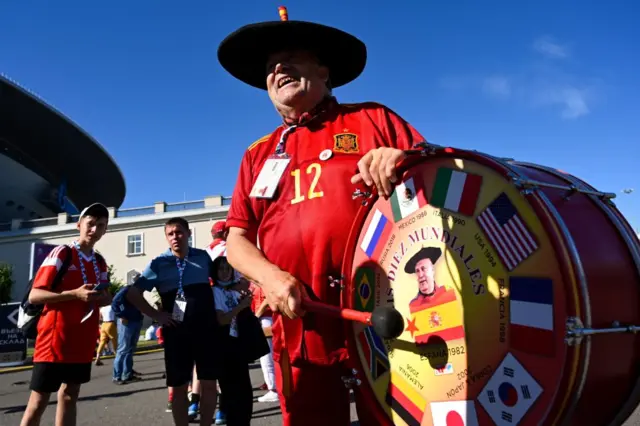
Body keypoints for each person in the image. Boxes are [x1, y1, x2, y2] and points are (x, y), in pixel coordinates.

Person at [218, 6, 427, 426]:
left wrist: (403, 158)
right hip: (300, 320)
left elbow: (437, 186)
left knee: (397, 419)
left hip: (387, 308)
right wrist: (271, 279)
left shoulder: (372, 118)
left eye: (292, 57)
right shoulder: (257, 153)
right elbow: (237, 241)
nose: (279, 69)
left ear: (324, 71)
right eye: (270, 67)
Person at [20, 203, 113, 426]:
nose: (94, 230)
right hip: (53, 340)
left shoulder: (100, 261)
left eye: (100, 226)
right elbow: (35, 295)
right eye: (90, 224)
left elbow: (105, 296)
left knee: (70, 396)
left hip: (82, 341)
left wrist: (109, 297)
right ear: (79, 225)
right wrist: (73, 294)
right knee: (39, 401)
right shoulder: (62, 252)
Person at [126, 217, 220, 426]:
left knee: (209, 383)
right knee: (178, 386)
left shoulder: (203, 257)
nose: (175, 237)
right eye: (170, 234)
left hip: (206, 329)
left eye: (179, 232)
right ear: (166, 237)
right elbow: (133, 293)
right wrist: (156, 315)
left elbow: (222, 279)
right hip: (177, 332)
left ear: (188, 234)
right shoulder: (159, 263)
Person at [211, 256, 255, 426]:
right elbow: (222, 319)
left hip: (238, 344)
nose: (224, 273)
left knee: (245, 391)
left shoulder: (234, 290)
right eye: (221, 269)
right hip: (224, 346)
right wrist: (241, 306)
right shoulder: (215, 292)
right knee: (231, 392)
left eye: (227, 269)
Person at [250, 282, 278, 403]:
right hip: (265, 318)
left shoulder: (261, 279)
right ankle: (273, 387)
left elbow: (267, 300)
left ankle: (273, 389)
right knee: (268, 357)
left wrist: (256, 315)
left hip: (266, 319)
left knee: (267, 358)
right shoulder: (254, 280)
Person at [111, 284, 144, 384]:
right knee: (123, 349)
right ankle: (117, 376)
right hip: (127, 322)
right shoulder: (127, 289)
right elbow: (115, 302)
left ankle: (127, 374)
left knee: (130, 349)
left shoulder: (140, 290)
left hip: (136, 320)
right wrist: (121, 315)